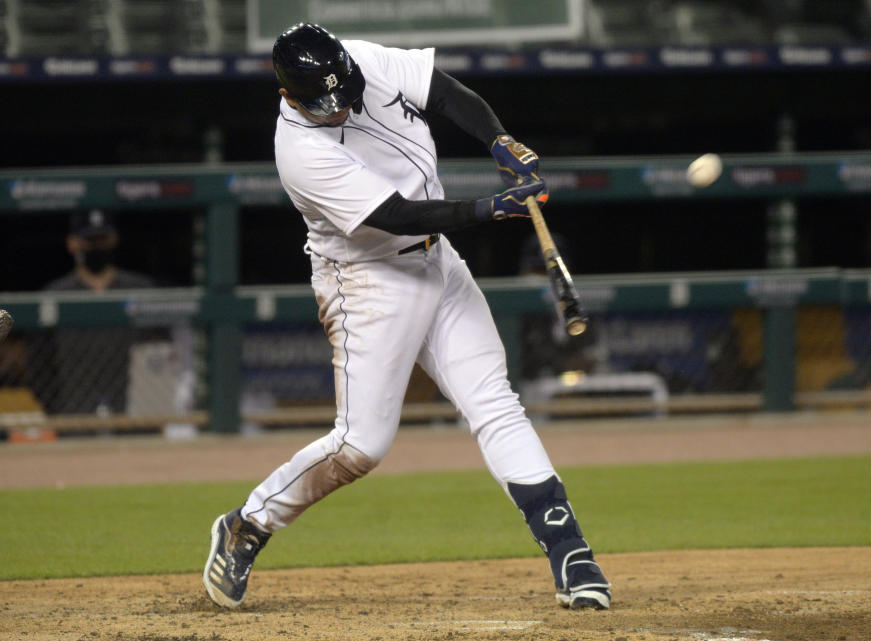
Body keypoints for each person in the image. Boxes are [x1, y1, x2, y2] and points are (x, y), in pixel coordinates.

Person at [203, 23, 611, 612]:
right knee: (361, 445)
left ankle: (570, 552)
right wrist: (491, 209)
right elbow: (397, 215)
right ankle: (248, 522)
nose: (341, 106)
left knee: (494, 400)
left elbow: (445, 93)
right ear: (288, 94)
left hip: (438, 262)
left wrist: (499, 141)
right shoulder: (300, 151)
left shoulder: (360, 61)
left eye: (345, 90)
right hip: (368, 281)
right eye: (325, 102)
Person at [33, 210, 156, 414]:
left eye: (102, 239)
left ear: (115, 239)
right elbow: (40, 366)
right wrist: (58, 412)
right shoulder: (55, 294)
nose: (97, 246)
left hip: (134, 413)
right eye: (89, 240)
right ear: (72, 243)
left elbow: (158, 353)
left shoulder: (140, 289)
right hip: (75, 413)